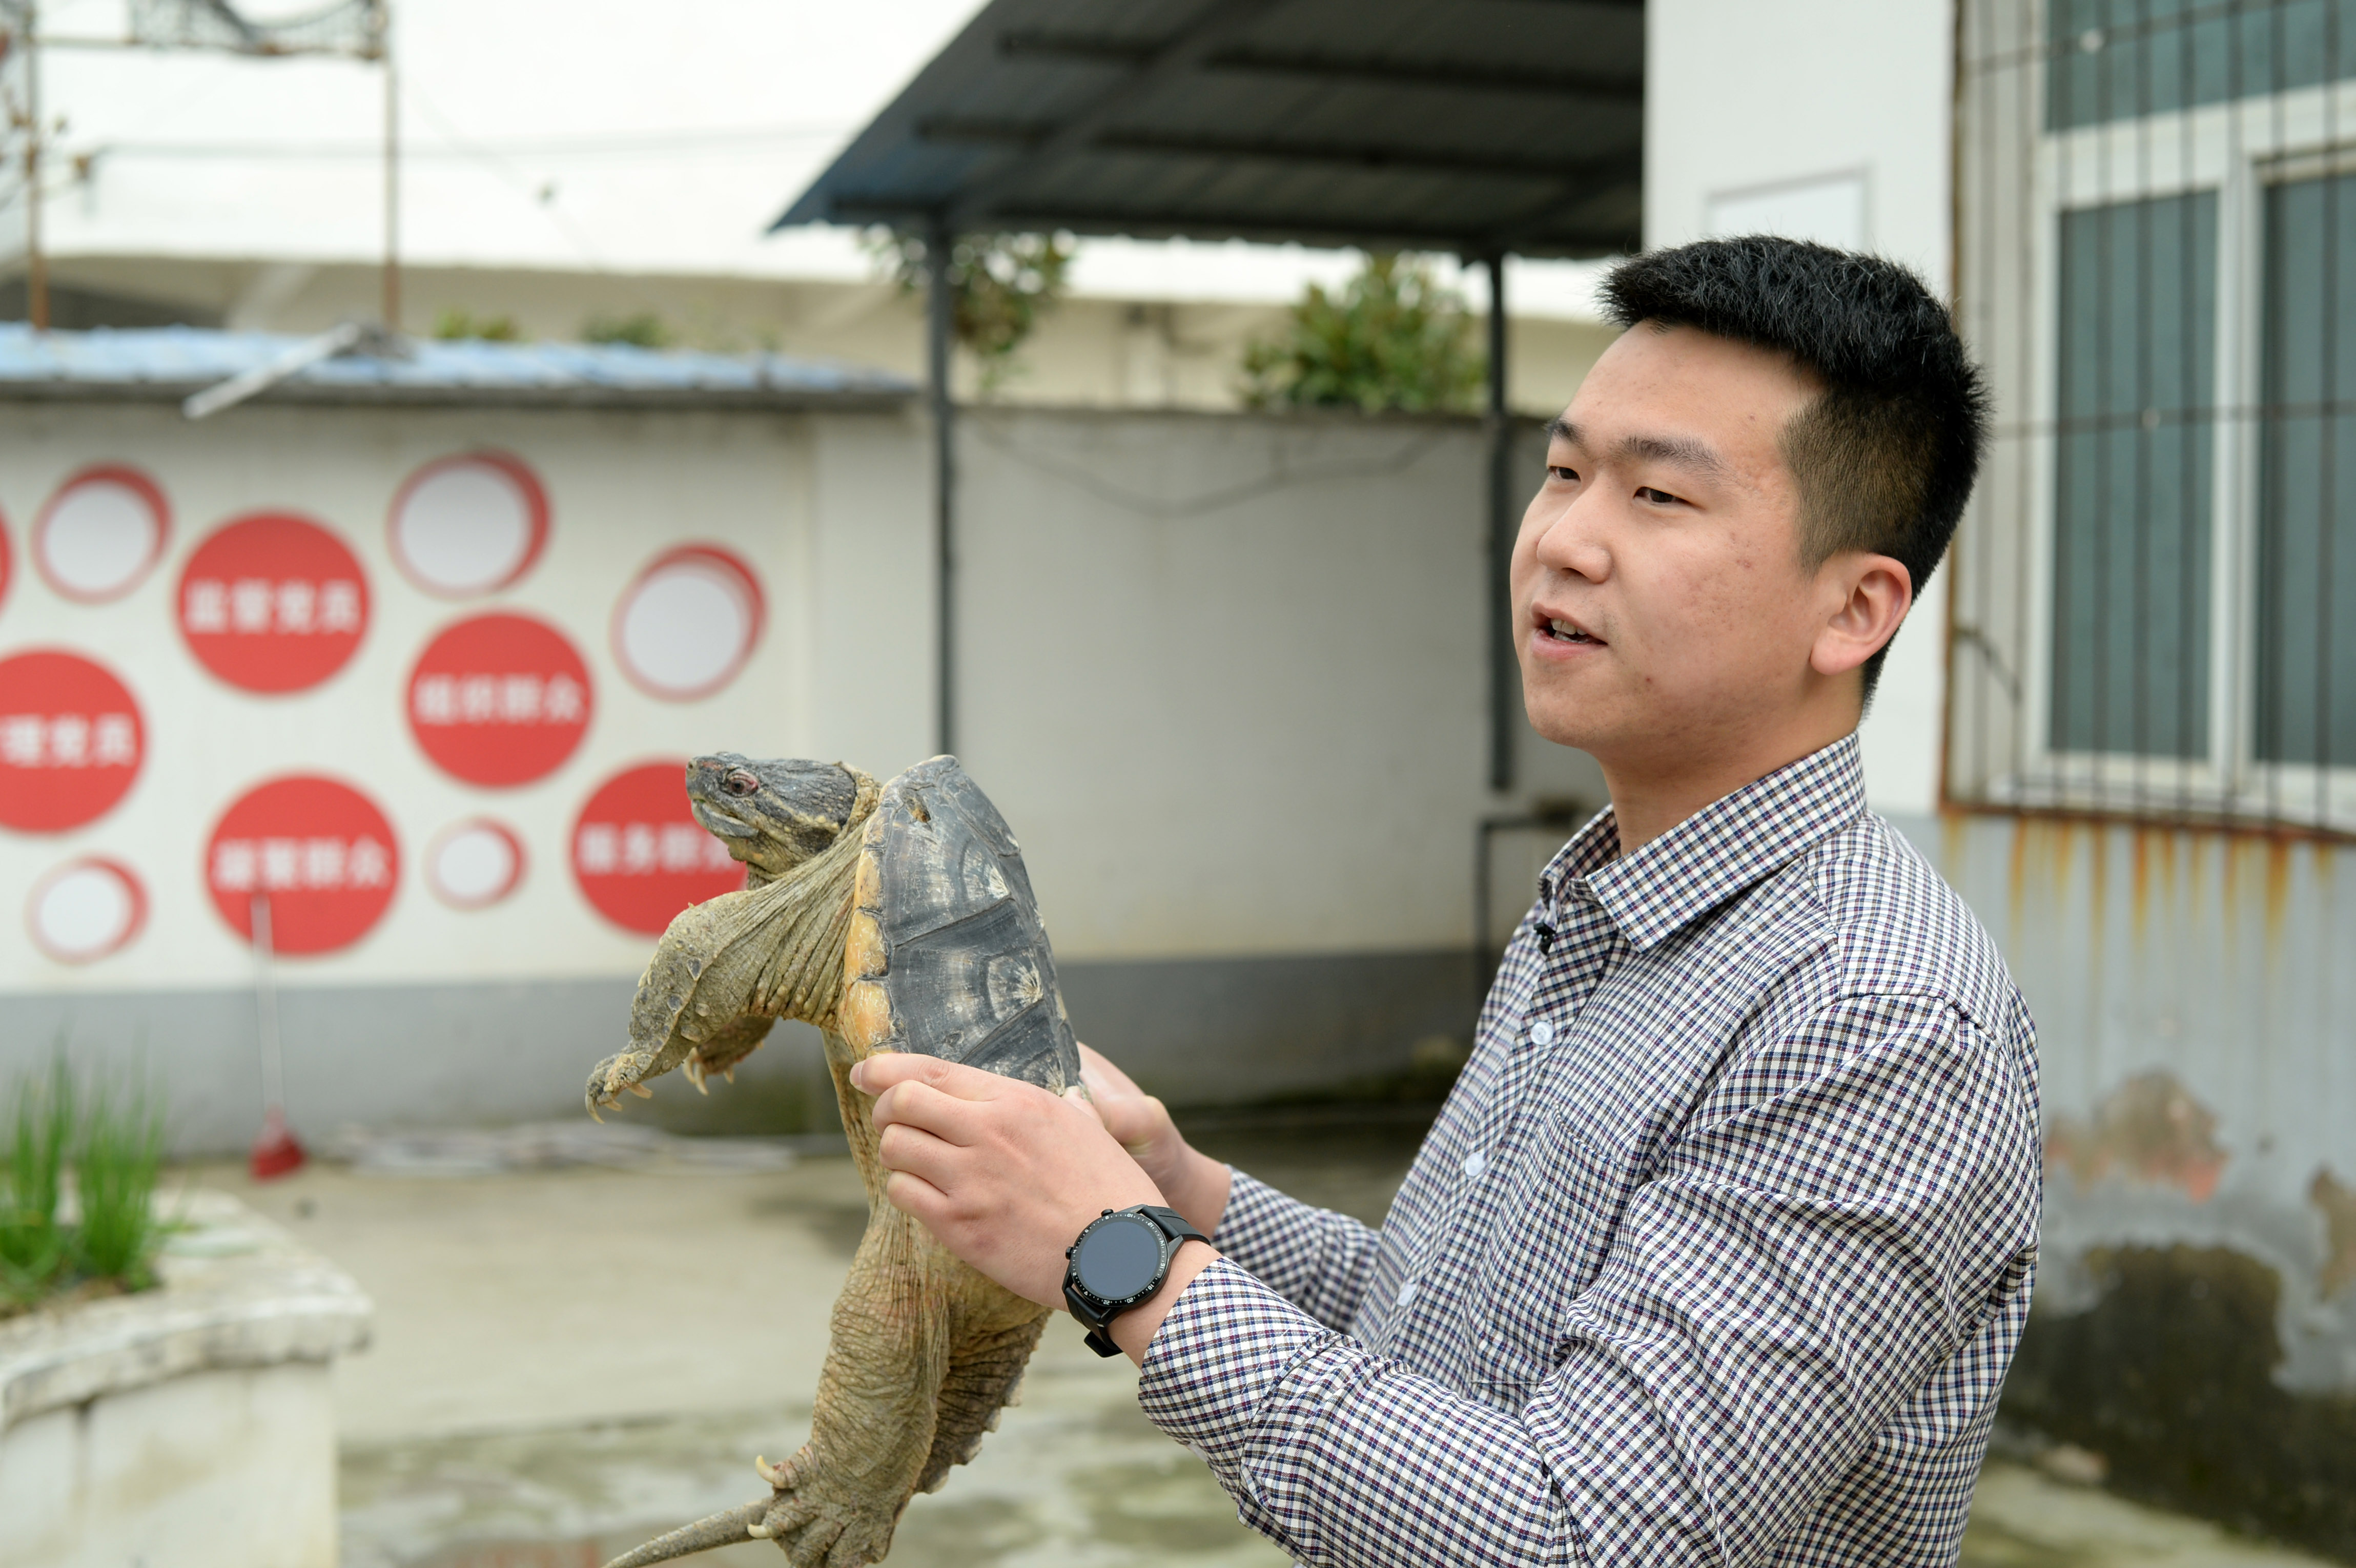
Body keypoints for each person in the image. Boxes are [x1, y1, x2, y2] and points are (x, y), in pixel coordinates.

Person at [850, 236, 2042, 1566]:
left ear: (1854, 608)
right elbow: (1437, 1328)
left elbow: (1580, 1536)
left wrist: (1120, 1253)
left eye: (1659, 496)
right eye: (1565, 471)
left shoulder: (1878, 1019)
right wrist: (1181, 1188)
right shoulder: (1598, 901)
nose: (1565, 541)